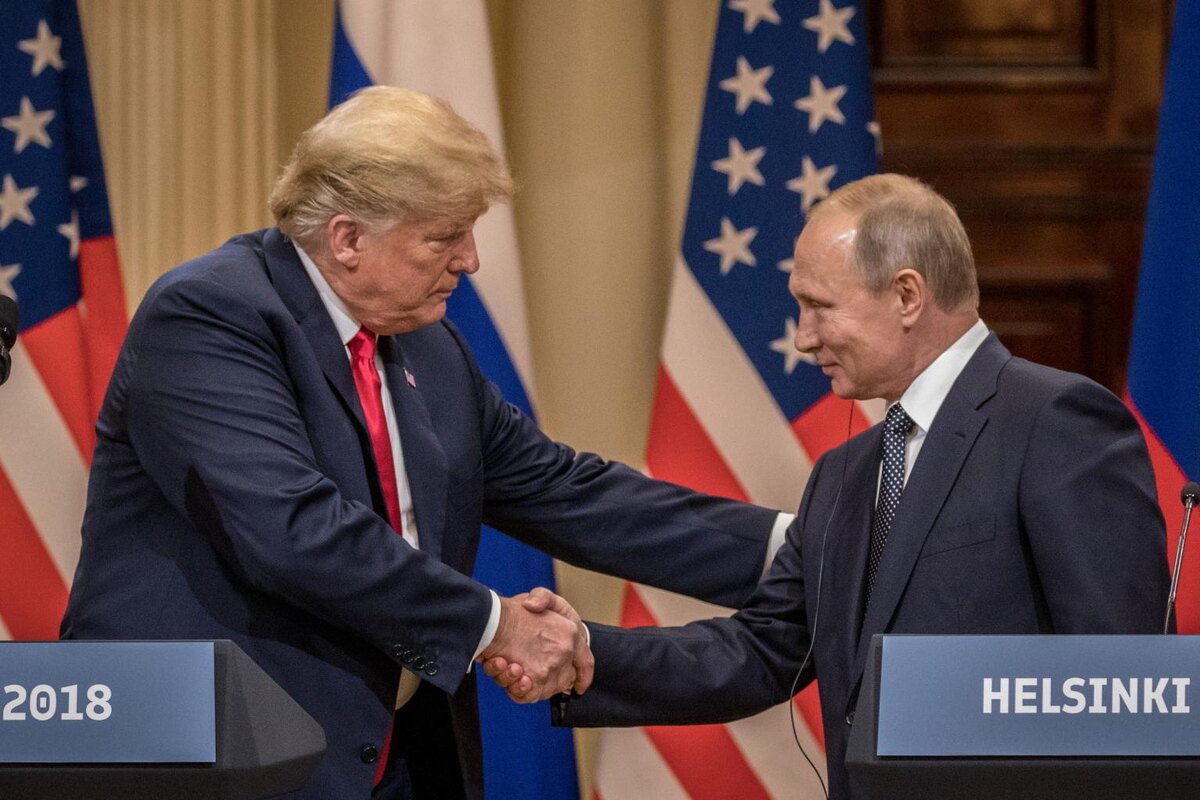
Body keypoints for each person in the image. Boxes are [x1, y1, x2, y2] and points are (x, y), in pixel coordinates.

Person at [58, 86, 790, 800]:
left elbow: (565, 490)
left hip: (391, 752)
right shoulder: (211, 315)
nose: (470, 260)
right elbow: (295, 530)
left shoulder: (429, 348)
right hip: (214, 750)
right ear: (346, 238)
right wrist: (497, 625)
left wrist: (799, 548)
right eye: (444, 237)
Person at [486, 174, 1170, 800]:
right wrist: (582, 654)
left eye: (818, 307)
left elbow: (1120, 684)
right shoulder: (847, 474)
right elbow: (759, 652)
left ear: (907, 295)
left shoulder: (1055, 422)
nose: (804, 338)